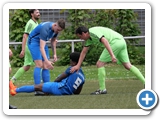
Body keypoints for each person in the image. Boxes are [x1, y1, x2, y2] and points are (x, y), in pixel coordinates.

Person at [70, 26, 145, 95]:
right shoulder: (89, 39)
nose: (80, 39)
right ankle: (146, 82)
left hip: (114, 43)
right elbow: (84, 52)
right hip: (121, 41)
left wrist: (112, 55)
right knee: (128, 66)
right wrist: (78, 66)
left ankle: (102, 89)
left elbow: (105, 41)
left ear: (84, 33)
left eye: (80, 37)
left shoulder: (92, 32)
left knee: (99, 64)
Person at [17, 19, 65, 96]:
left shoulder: (56, 30)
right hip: (33, 42)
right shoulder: (45, 28)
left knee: (46, 66)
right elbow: (41, 48)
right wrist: (47, 60)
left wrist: (55, 54)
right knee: (39, 64)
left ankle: (47, 88)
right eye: (58, 30)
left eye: (60, 31)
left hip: (42, 42)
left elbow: (53, 41)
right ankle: (38, 89)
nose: (58, 32)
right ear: (55, 25)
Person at [10, 52, 85, 96]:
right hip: (67, 92)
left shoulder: (71, 68)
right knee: (43, 88)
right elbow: (77, 92)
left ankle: (15, 90)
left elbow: (59, 79)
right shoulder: (83, 77)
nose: (70, 63)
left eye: (71, 61)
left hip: (59, 88)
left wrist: (51, 87)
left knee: (37, 87)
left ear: (74, 62)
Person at [9, 9, 40, 95]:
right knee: (39, 64)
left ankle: (11, 81)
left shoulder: (36, 23)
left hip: (31, 46)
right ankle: (38, 88)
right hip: (30, 47)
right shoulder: (30, 23)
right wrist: (23, 49)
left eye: (39, 12)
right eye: (37, 12)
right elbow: (25, 36)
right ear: (31, 14)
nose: (39, 14)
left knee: (27, 66)